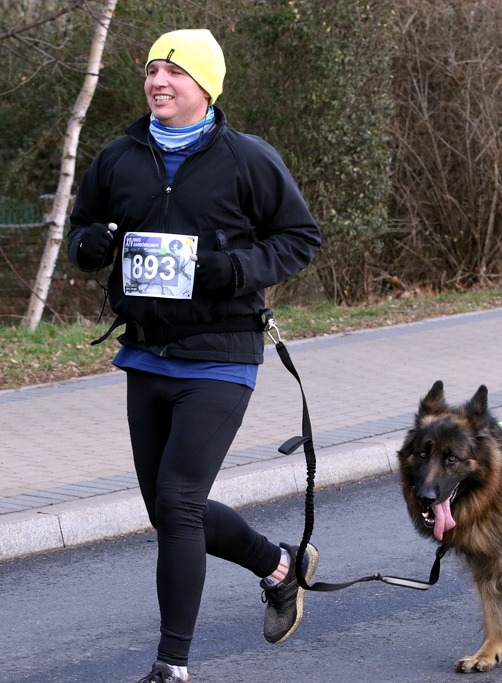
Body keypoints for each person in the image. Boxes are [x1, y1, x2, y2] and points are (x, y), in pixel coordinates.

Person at [67, 28, 322, 683]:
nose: (158, 81)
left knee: (179, 502)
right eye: (153, 69)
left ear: (205, 86)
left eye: (174, 72)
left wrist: (235, 269)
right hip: (146, 353)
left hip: (221, 354)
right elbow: (82, 227)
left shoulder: (247, 158)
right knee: (166, 509)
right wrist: (88, 246)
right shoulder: (120, 156)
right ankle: (280, 566)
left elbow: (299, 237)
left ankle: (171, 665)